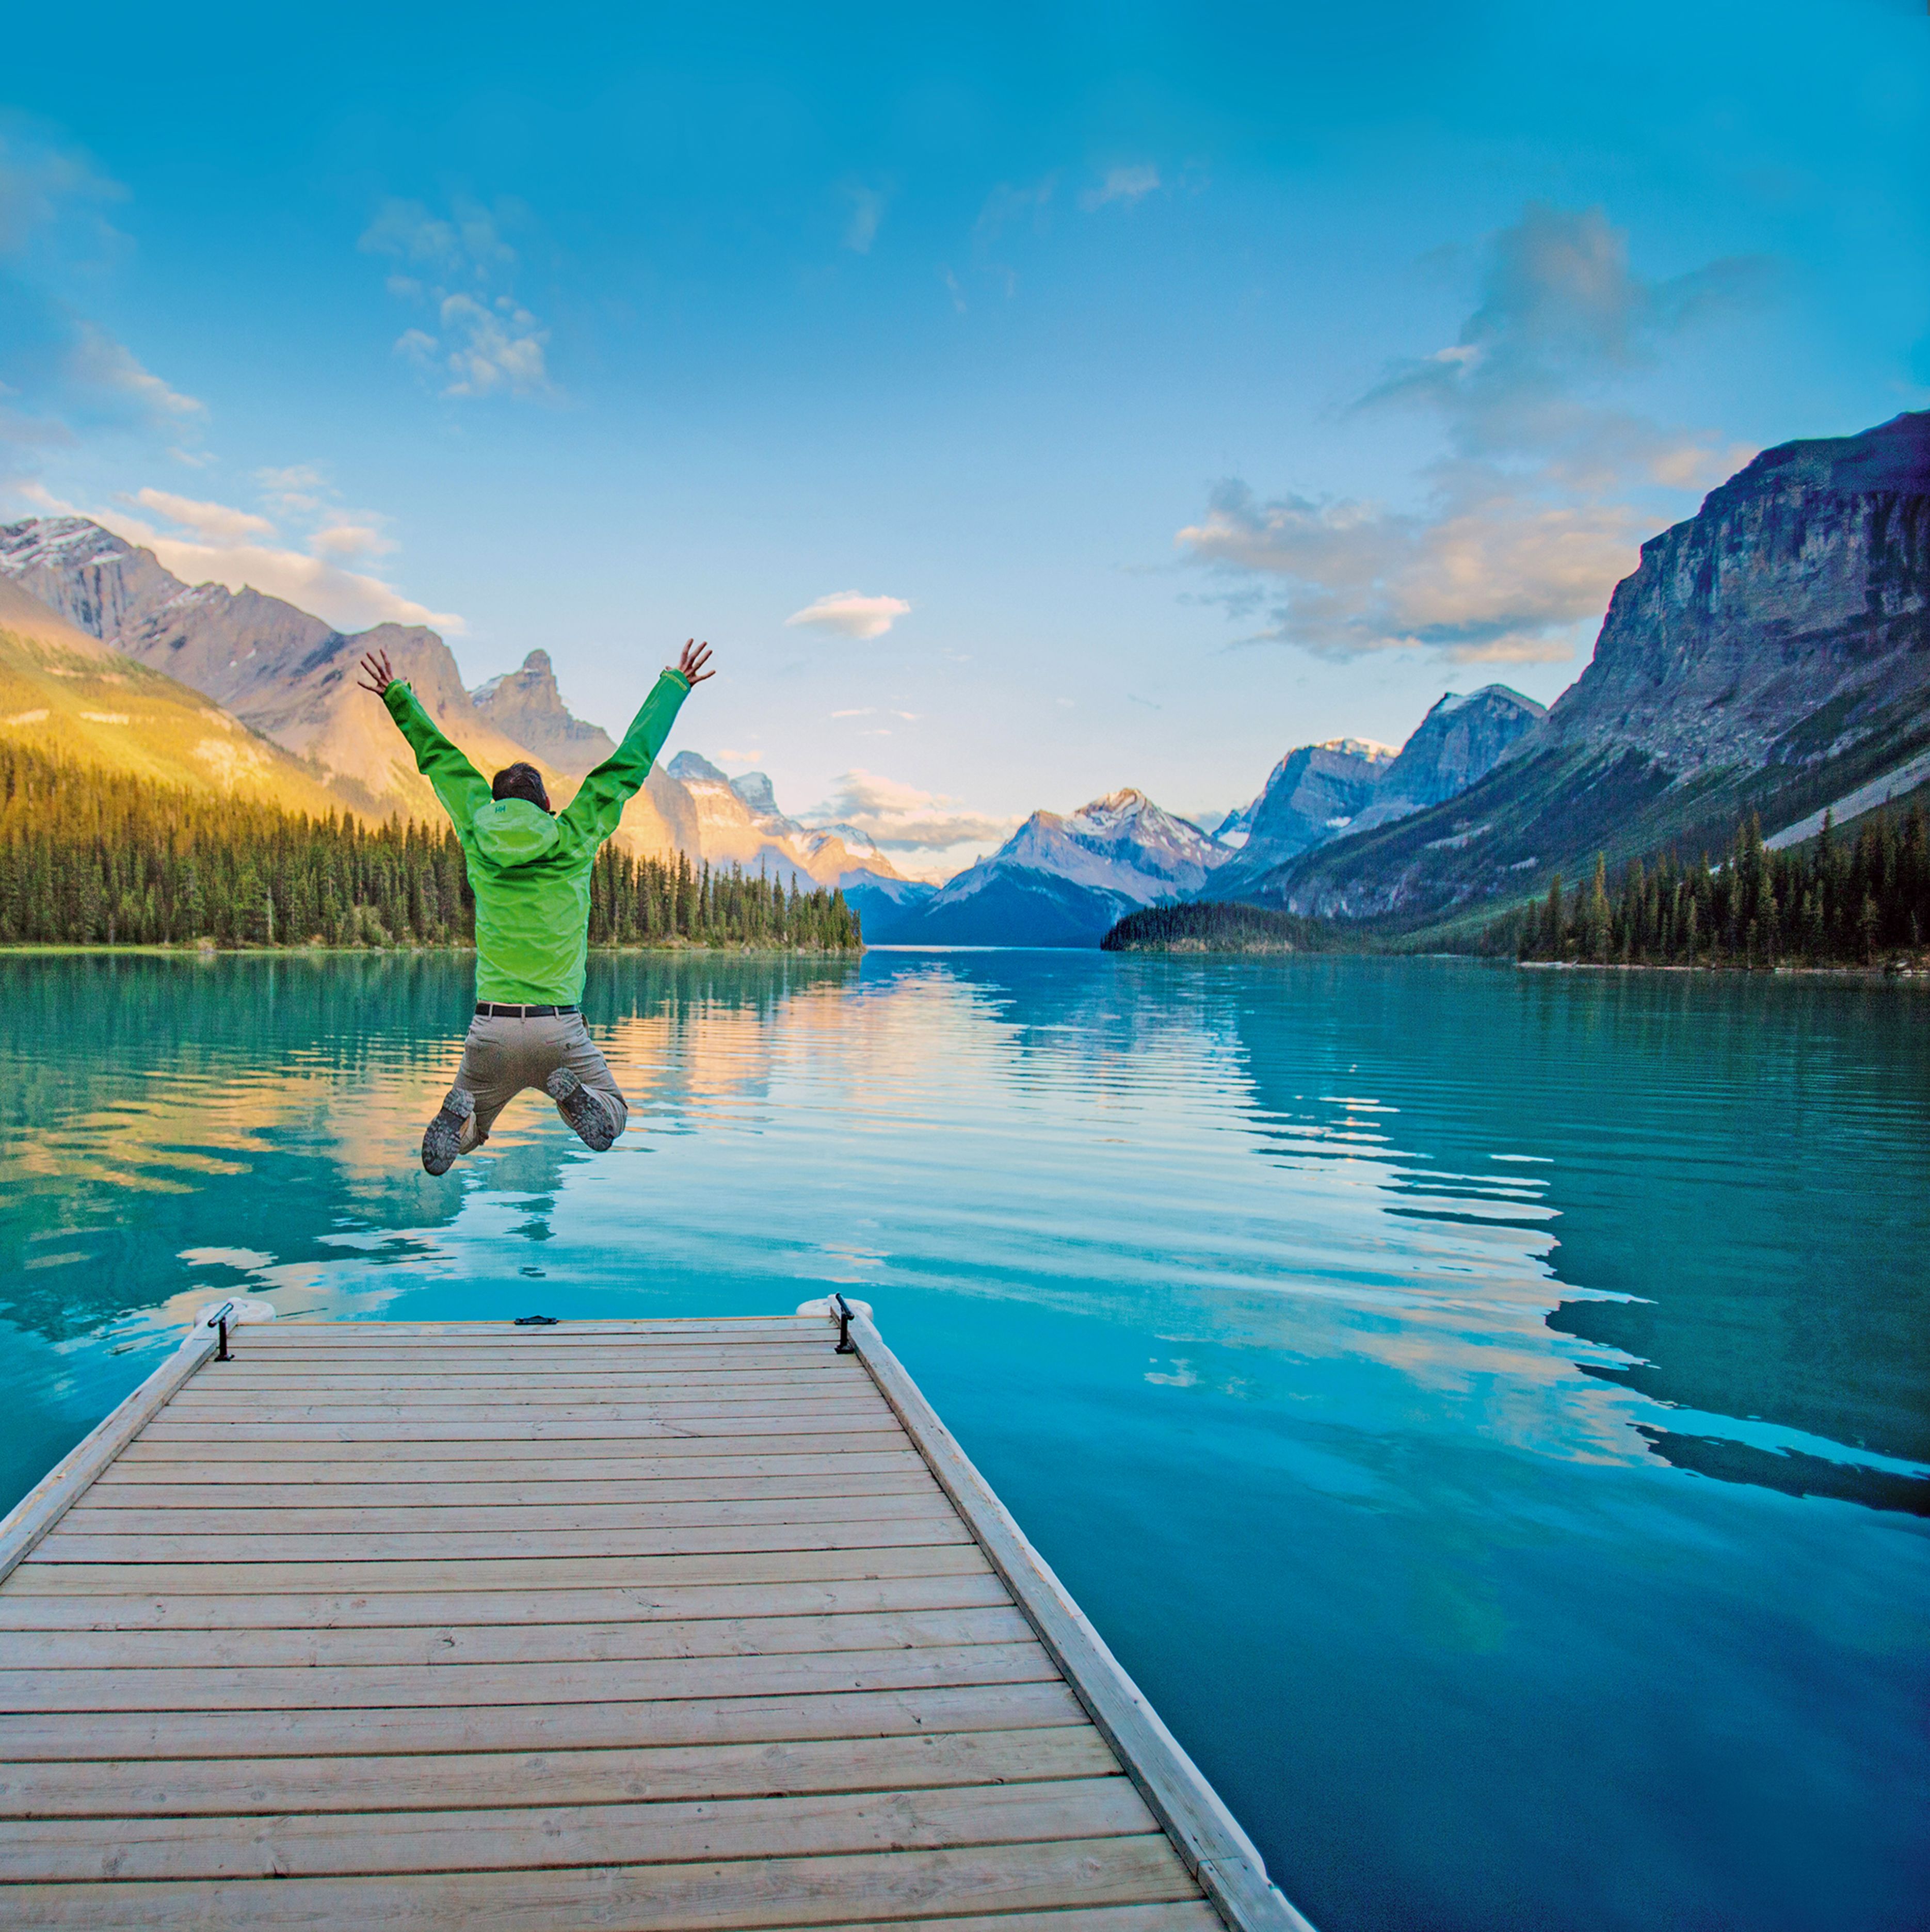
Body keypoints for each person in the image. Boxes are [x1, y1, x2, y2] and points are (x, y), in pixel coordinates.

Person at [358, 638, 715, 1173]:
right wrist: (673, 685)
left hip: (491, 1031)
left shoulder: (479, 830)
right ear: (548, 806)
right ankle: (584, 1106)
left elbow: (440, 760)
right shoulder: (571, 835)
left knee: (471, 1131)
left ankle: (460, 1123)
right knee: (612, 1113)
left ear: (494, 804)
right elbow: (626, 767)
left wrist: (396, 697)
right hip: (560, 1032)